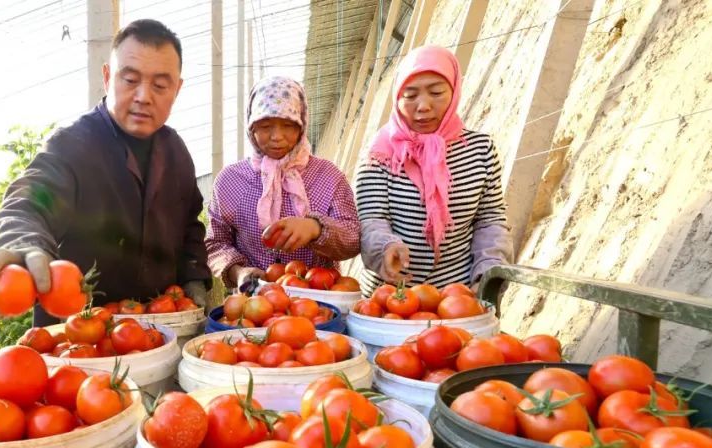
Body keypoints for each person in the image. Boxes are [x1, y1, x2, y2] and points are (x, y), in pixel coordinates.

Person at [0, 19, 211, 323]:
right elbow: (29, 203)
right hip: (78, 338)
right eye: (130, 80)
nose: (143, 96)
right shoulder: (73, 147)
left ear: (177, 89)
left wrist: (193, 275)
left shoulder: (176, 152)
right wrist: (22, 244)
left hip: (156, 334)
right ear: (108, 77)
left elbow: (190, 226)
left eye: (160, 85)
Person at [356, 45, 512, 292]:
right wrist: (385, 248)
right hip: (391, 298)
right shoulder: (379, 154)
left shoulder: (480, 149)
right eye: (410, 95)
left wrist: (488, 272)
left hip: (459, 296)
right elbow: (371, 219)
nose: (423, 106)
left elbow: (490, 219)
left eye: (437, 92)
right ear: (397, 98)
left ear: (454, 91)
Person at [205, 76, 360, 289]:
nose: (277, 136)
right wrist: (238, 271)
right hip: (255, 305)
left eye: (288, 125)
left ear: (302, 126)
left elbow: (353, 238)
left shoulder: (329, 176)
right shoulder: (230, 182)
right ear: (251, 128)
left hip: (319, 301)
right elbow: (215, 242)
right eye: (266, 126)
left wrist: (315, 228)